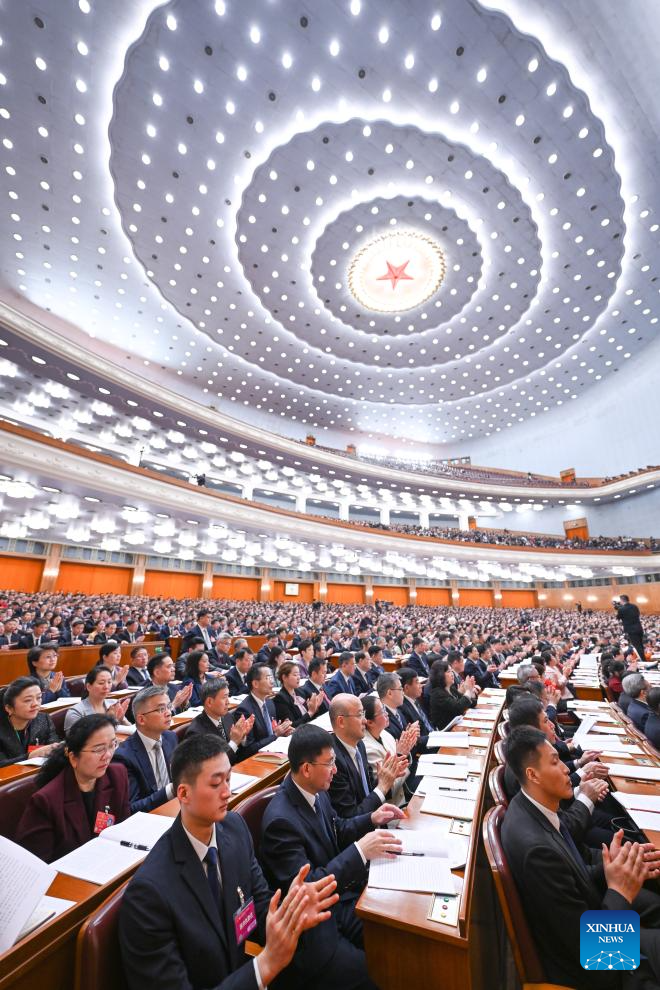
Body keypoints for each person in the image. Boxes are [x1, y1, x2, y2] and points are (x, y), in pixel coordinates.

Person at [119, 734, 339, 990]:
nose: (227, 792)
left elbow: (258, 905)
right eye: (215, 784)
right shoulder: (149, 894)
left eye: (228, 779)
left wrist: (291, 915)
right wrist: (264, 965)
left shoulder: (233, 829)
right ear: (184, 793)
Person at [502, 726, 660, 989]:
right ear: (533, 774)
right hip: (595, 963)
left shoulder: (532, 806)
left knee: (654, 900)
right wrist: (620, 889)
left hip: (591, 921)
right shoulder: (536, 851)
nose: (567, 769)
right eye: (554, 761)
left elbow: (572, 874)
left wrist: (616, 865)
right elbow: (596, 951)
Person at [261, 724, 405, 990]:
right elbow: (307, 888)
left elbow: (336, 828)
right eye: (329, 764)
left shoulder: (316, 790)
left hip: (343, 894)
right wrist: (361, 850)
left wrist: (371, 818)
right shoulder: (281, 822)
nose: (335, 770)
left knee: (399, 926)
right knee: (378, 957)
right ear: (306, 769)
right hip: (318, 919)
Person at [18, 714, 130, 862]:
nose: (108, 755)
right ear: (73, 758)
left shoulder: (117, 775)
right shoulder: (46, 801)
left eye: (112, 745)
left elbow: (123, 830)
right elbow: (36, 863)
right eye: (98, 750)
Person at [328, 694, 408, 818]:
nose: (365, 720)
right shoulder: (332, 761)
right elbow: (350, 816)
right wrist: (382, 787)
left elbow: (368, 790)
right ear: (341, 721)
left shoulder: (360, 745)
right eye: (359, 715)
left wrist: (386, 778)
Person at [112, 685, 178, 813]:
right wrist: (171, 790)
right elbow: (132, 807)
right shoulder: (124, 757)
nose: (169, 712)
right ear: (141, 719)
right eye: (161, 709)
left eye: (169, 707)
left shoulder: (171, 737)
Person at [362, 694, 416, 807]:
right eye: (382, 712)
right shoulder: (368, 749)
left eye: (385, 709)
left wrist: (405, 752)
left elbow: (402, 758)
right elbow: (387, 790)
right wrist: (401, 756)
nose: (387, 714)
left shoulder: (385, 733)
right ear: (369, 722)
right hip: (391, 809)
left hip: (404, 797)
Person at [186, 678, 254, 764]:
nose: (228, 702)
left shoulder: (228, 717)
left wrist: (242, 737)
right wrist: (234, 742)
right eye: (224, 697)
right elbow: (212, 765)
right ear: (209, 702)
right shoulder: (195, 732)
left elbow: (239, 755)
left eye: (228, 696)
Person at [233, 663, 293, 757]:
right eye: (268, 678)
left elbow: (272, 733)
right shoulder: (244, 710)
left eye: (272, 678)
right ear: (255, 684)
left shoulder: (269, 703)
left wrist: (283, 731)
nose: (272, 682)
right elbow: (249, 749)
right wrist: (276, 735)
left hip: (274, 750)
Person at [0, 676, 60, 767]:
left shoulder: (44, 719)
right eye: (28, 700)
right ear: (9, 708)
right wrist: (30, 756)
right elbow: (2, 764)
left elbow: (54, 747)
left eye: (39, 697)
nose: (35, 703)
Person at [64, 666, 131, 731]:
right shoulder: (77, 712)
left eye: (109, 682)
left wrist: (122, 720)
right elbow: (74, 740)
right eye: (101, 683)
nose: (106, 687)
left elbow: (130, 729)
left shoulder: (113, 703)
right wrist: (107, 720)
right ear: (89, 687)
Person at [428, 659, 478, 730]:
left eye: (452, 671)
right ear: (440, 675)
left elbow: (472, 703)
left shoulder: (451, 688)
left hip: (457, 726)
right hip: (446, 731)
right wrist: (468, 690)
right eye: (448, 671)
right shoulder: (437, 693)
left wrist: (471, 691)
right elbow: (458, 708)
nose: (452, 674)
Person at [274, 660, 324, 727]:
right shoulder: (280, 698)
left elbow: (310, 716)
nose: (298, 677)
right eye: (295, 675)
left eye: (299, 674)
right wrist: (310, 712)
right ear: (284, 677)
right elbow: (292, 725)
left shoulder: (300, 691)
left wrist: (315, 706)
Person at [614, 595, 646, 663]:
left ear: (622, 600)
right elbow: (637, 614)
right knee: (640, 645)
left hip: (631, 630)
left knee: (637, 646)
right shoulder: (634, 606)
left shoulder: (621, 609)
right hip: (639, 628)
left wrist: (618, 608)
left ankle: (644, 661)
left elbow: (618, 617)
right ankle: (644, 659)